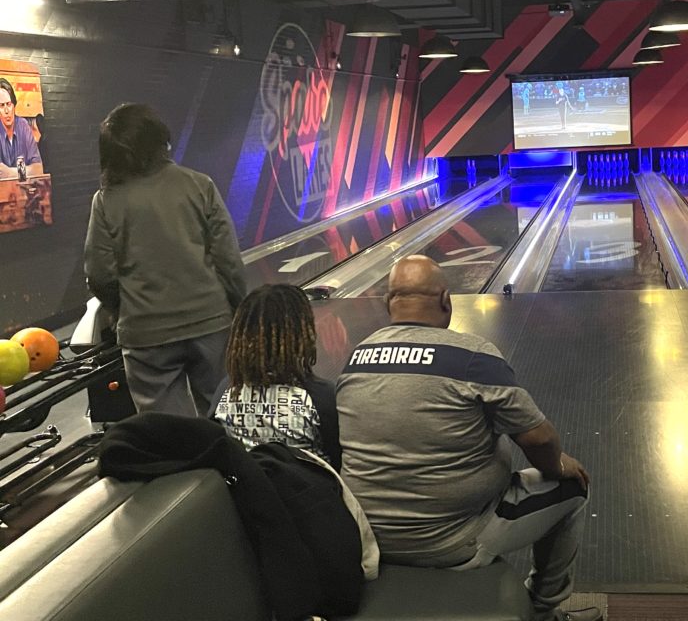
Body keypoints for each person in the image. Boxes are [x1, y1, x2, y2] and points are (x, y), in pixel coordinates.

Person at [336, 255, 601, 621]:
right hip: (455, 538)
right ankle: (542, 610)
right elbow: (539, 440)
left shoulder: (356, 359)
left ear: (388, 304)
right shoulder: (472, 358)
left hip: (370, 540)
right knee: (574, 488)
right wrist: (557, 465)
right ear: (446, 300)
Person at [84, 103, 247, 416]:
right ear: (160, 141)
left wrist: (125, 308)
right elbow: (228, 260)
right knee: (223, 415)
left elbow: (100, 274)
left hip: (146, 335)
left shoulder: (105, 202)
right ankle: (226, 465)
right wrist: (240, 307)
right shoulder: (199, 185)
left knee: (168, 431)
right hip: (210, 322)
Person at [212, 284, 340, 470]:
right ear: (301, 334)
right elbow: (341, 459)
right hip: (310, 494)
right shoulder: (320, 397)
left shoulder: (226, 391)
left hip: (252, 493)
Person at [0, 78, 43, 180]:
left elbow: (38, 169)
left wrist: (10, 173)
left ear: (14, 105)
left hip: (24, 193)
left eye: (9, 104)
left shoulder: (23, 126)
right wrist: (27, 171)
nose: (6, 110)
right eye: (1, 106)